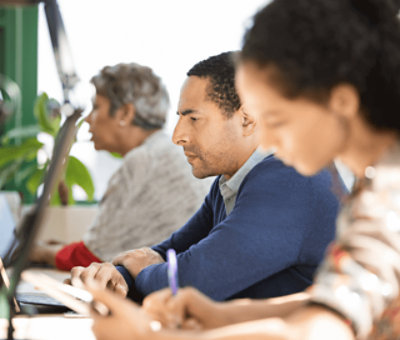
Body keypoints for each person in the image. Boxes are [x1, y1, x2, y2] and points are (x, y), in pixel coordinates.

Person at [84, 0, 400, 339]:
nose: (269, 138)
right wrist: (220, 315)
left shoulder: (387, 194)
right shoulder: (372, 182)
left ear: (341, 102)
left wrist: (158, 337)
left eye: (277, 119)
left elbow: (325, 329)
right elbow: (331, 301)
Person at [71, 52, 344, 304]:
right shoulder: (228, 182)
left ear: (247, 118)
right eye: (179, 118)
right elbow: (172, 252)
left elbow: (195, 280)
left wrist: (141, 271)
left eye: (193, 119)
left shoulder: (292, 178)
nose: (178, 136)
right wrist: (118, 277)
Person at [30, 62, 210, 271]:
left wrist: (40, 251)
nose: (88, 119)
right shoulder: (169, 152)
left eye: (96, 107)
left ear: (125, 113)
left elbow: (91, 257)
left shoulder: (142, 160)